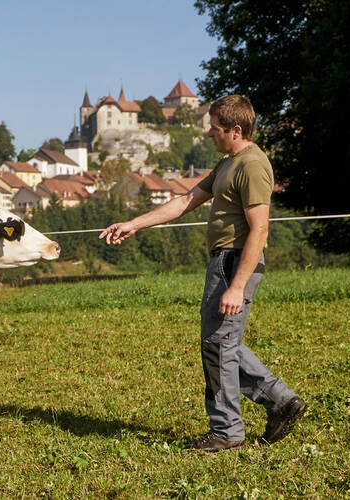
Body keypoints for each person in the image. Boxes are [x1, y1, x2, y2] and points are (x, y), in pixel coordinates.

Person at [99, 95, 305, 452]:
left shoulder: (252, 165)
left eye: (214, 128)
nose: (209, 134)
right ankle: (281, 401)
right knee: (223, 342)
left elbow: (259, 229)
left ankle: (227, 431)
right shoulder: (229, 163)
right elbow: (184, 201)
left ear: (235, 130)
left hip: (234, 262)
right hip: (224, 261)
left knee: (218, 346)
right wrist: (134, 224)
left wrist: (237, 285)